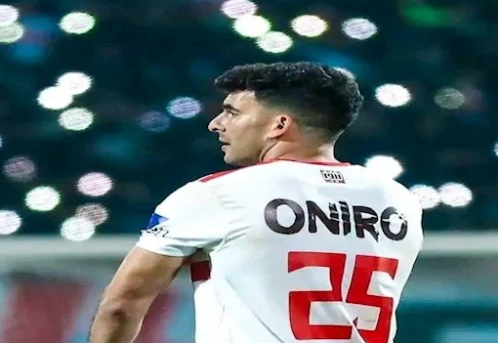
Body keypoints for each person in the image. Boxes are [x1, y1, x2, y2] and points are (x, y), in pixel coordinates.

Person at [89, 62, 423, 343]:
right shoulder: (399, 201)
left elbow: (121, 305)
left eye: (231, 113)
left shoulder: (217, 194)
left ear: (279, 125)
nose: (216, 124)